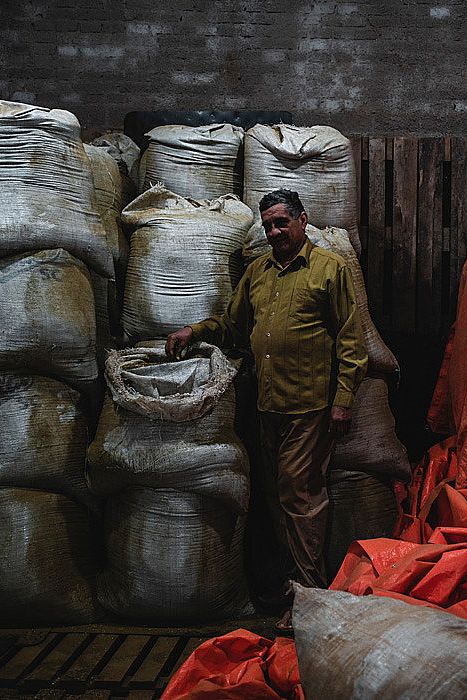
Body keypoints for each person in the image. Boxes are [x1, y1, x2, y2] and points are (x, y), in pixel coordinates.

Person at [166, 188, 368, 632]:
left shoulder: (327, 269)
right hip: (267, 405)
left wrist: (343, 402)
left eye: (282, 222)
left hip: (310, 405)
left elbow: (351, 343)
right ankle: (294, 585)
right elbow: (233, 326)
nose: (275, 231)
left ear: (302, 220)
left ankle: (308, 599)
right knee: (277, 500)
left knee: (300, 498)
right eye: (269, 225)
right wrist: (195, 330)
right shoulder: (258, 272)